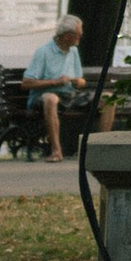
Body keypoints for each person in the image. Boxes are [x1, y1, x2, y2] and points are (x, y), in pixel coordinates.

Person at [23, 14, 103, 161]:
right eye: (78, 33)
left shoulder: (73, 51)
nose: (82, 35)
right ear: (67, 35)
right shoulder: (43, 52)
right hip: (45, 98)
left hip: (69, 96)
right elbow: (27, 82)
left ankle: (102, 151)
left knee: (107, 99)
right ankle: (56, 151)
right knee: (51, 98)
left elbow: (80, 79)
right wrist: (55, 82)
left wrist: (79, 82)